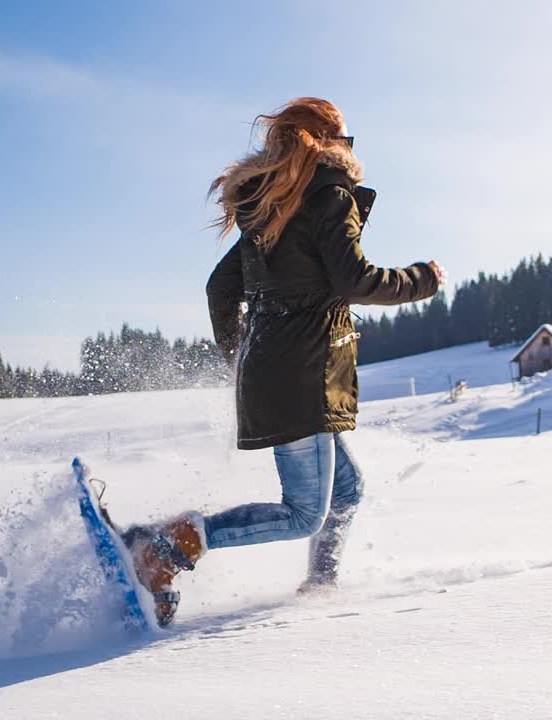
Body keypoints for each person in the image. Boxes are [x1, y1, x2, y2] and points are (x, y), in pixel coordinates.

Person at [122, 97, 445, 626]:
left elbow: (219, 290)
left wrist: (243, 358)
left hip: (279, 370)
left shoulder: (273, 208)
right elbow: (354, 281)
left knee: (347, 489)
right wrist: (422, 279)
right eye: (346, 139)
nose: (350, 148)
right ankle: (164, 549)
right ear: (328, 143)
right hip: (304, 375)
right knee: (302, 515)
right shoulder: (328, 197)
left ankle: (320, 584)